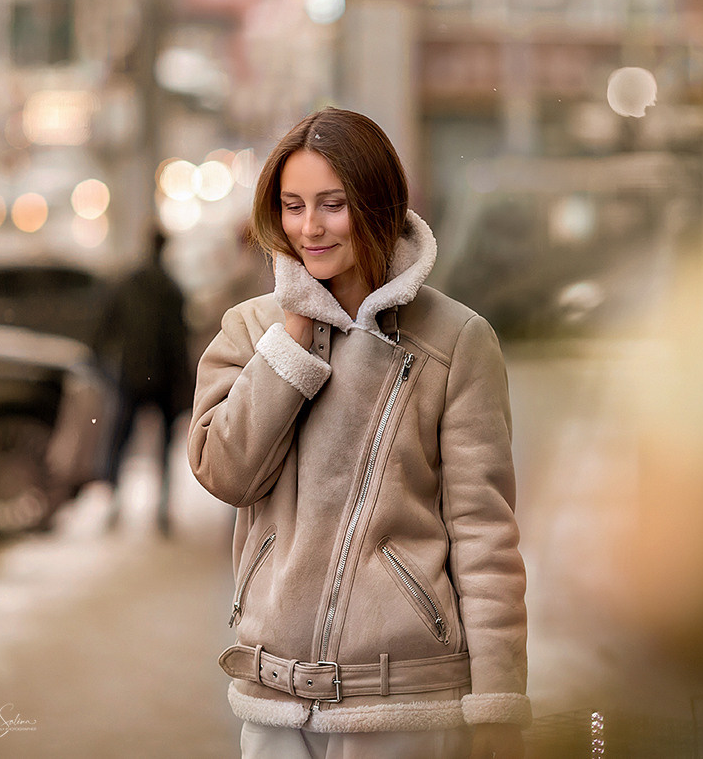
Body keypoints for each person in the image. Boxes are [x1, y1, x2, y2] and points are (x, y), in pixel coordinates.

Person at [188, 107, 530, 758]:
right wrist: (290, 342)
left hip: (408, 706)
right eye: (292, 206)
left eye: (331, 204)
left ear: (375, 206)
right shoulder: (248, 329)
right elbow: (222, 470)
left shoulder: (457, 341)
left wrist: (498, 703)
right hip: (273, 703)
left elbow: (485, 536)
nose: (308, 227)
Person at [93, 230, 193, 535]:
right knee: (160, 446)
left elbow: (102, 331)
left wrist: (106, 367)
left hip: (133, 375)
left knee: (121, 441)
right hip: (160, 378)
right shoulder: (171, 289)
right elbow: (180, 343)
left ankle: (116, 503)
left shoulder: (130, 284)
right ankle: (159, 508)